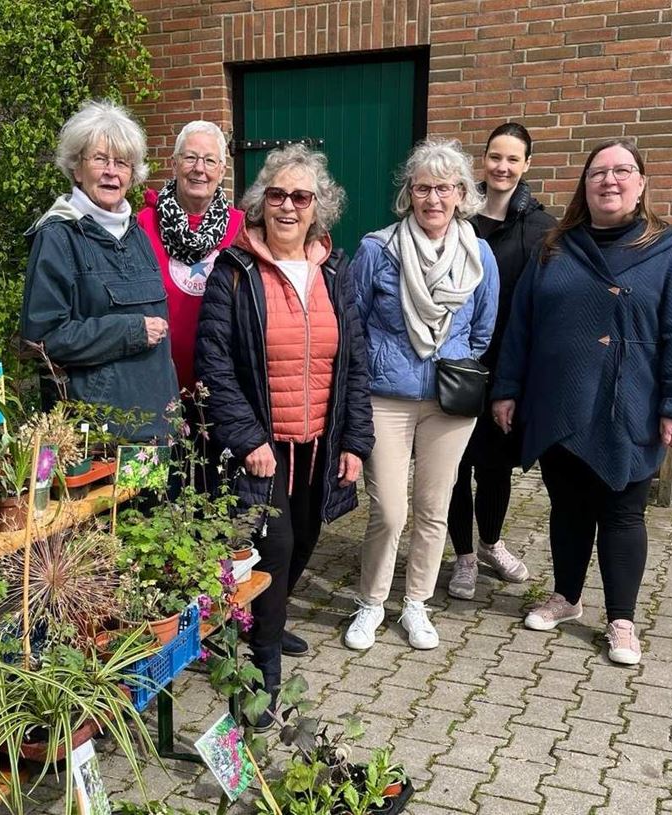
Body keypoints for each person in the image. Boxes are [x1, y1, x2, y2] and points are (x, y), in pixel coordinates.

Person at [491, 138, 672, 665]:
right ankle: (566, 597)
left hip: (628, 404)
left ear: (640, 184)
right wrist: (507, 388)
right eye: (598, 173)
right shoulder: (556, 246)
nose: (610, 180)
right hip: (558, 401)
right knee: (566, 507)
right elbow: (522, 325)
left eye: (622, 171)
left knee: (621, 512)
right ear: (584, 187)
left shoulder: (669, 249)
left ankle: (622, 620)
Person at [196, 144, 374, 724]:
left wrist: (354, 441)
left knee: (303, 540)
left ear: (318, 206)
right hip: (263, 446)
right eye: (277, 195)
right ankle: (263, 672)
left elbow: (355, 360)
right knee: (271, 548)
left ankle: (265, 620)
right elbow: (214, 361)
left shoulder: (334, 271)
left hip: (319, 442)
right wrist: (247, 438)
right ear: (260, 203)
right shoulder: (234, 270)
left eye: (301, 196)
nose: (288, 206)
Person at [345, 139, 499, 652]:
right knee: (389, 510)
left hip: (449, 402)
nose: (433, 197)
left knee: (434, 507)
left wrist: (449, 359)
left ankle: (415, 604)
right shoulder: (377, 249)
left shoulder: (479, 255)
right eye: (422, 187)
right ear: (408, 193)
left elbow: (482, 328)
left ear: (461, 193)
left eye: (445, 187)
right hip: (385, 398)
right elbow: (355, 324)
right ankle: (370, 602)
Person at [20, 99, 177, 441]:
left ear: (133, 175)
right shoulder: (59, 236)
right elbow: (42, 339)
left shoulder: (138, 235)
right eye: (100, 160)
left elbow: (161, 342)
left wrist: (174, 412)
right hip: (99, 435)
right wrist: (129, 332)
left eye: (122, 163)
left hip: (157, 427)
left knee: (161, 498)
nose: (111, 171)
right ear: (77, 168)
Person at [445, 123, 557, 600]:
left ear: (527, 165)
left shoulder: (542, 227)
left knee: (494, 466)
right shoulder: (458, 219)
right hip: (455, 365)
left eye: (513, 159)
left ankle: (491, 542)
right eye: (495, 157)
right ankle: (464, 557)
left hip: (508, 370)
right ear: (482, 161)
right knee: (454, 467)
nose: (502, 167)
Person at [137, 120, 245, 392]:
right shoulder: (143, 225)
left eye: (210, 161)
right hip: (156, 383)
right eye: (191, 158)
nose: (199, 169)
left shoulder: (242, 229)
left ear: (222, 171)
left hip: (225, 389)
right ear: (174, 165)